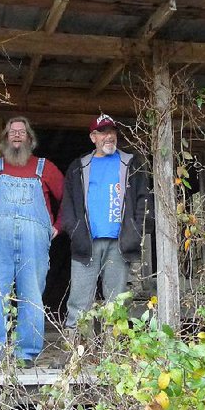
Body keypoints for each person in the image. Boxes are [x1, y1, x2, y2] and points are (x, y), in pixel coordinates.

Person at [0, 117, 64, 369]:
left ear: (30, 138)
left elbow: (69, 198)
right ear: (5, 139)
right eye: (11, 132)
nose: (17, 135)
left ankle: (26, 353)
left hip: (34, 241)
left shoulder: (45, 167)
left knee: (31, 295)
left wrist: (58, 226)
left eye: (22, 132)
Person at [60, 114, 151, 336]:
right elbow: (68, 205)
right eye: (102, 132)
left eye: (112, 132)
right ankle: (76, 353)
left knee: (116, 302)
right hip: (86, 244)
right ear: (93, 137)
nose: (109, 136)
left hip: (119, 243)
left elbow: (144, 200)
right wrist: (75, 232)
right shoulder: (79, 166)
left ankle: (113, 356)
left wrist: (136, 230)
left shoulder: (131, 163)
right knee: (79, 301)